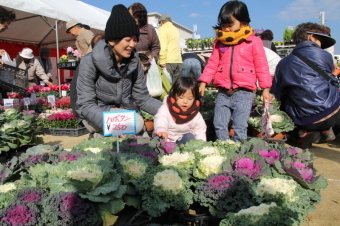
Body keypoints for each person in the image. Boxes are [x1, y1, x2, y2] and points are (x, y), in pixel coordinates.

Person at [75, 4, 162, 138]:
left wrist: (170, 110)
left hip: (127, 113)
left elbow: (143, 98)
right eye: (127, 40)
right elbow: (86, 105)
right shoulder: (89, 62)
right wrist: (114, 123)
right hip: (98, 114)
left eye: (135, 39)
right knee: (136, 125)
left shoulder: (134, 61)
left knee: (144, 138)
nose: (133, 44)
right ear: (111, 40)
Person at [198, 1, 272, 143]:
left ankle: (239, 152)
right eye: (223, 26)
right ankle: (224, 147)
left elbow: (261, 65)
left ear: (243, 23)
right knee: (219, 124)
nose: (226, 30)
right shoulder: (219, 42)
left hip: (244, 92)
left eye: (230, 25)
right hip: (223, 91)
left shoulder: (253, 41)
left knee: (240, 126)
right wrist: (204, 81)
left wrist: (265, 88)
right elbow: (212, 63)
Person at [271, 22, 340, 149]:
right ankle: (326, 129)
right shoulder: (325, 56)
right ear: (311, 37)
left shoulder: (284, 63)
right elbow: (332, 81)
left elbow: (276, 93)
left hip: (303, 119)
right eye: (320, 40)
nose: (321, 44)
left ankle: (302, 132)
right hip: (332, 112)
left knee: (287, 96)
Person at [153, 77, 206, 144]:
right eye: (181, 97)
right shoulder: (167, 107)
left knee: (190, 137)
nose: (185, 101)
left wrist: (202, 145)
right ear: (174, 95)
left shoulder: (195, 113)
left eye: (190, 99)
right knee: (159, 139)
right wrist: (161, 129)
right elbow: (161, 117)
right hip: (167, 139)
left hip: (182, 141)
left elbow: (200, 130)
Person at [158, 13, 182, 83]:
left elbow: (163, 46)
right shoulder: (176, 30)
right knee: (176, 87)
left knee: (167, 85)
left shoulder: (163, 29)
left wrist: (162, 61)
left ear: (161, 22)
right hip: (178, 61)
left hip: (168, 61)